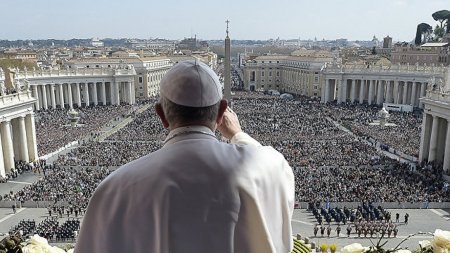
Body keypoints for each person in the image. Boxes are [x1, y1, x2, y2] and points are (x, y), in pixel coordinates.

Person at [74, 60, 295, 253]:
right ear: (221, 112)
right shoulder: (268, 167)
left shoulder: (114, 189)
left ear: (161, 114)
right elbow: (270, 164)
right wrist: (237, 134)